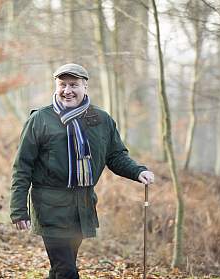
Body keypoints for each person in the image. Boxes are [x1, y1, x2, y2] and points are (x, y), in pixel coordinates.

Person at [10, 63, 154, 279]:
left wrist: (137, 171)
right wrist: (18, 208)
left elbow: (115, 155)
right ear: (56, 86)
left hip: (82, 206)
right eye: (63, 84)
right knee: (67, 271)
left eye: (74, 85)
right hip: (50, 207)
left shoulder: (102, 120)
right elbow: (23, 166)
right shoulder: (40, 119)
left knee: (60, 269)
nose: (67, 90)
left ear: (85, 87)